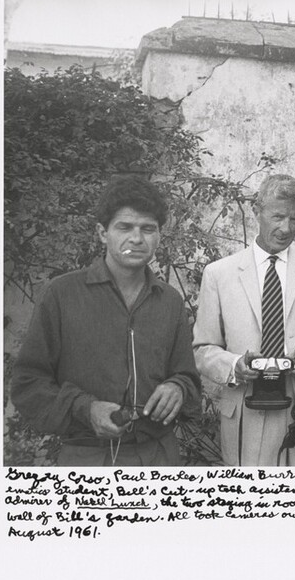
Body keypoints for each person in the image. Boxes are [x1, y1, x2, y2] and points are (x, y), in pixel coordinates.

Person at [11, 176, 201, 466]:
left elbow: (188, 377)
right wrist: (85, 409)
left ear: (159, 236)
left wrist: (178, 387)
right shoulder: (62, 295)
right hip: (86, 456)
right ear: (102, 233)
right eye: (124, 227)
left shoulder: (169, 300)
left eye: (148, 229)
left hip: (159, 456)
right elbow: (28, 384)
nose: (137, 238)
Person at [193, 174, 295, 466]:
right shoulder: (219, 274)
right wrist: (234, 366)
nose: (286, 228)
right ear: (257, 211)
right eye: (278, 216)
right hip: (249, 414)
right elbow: (203, 349)